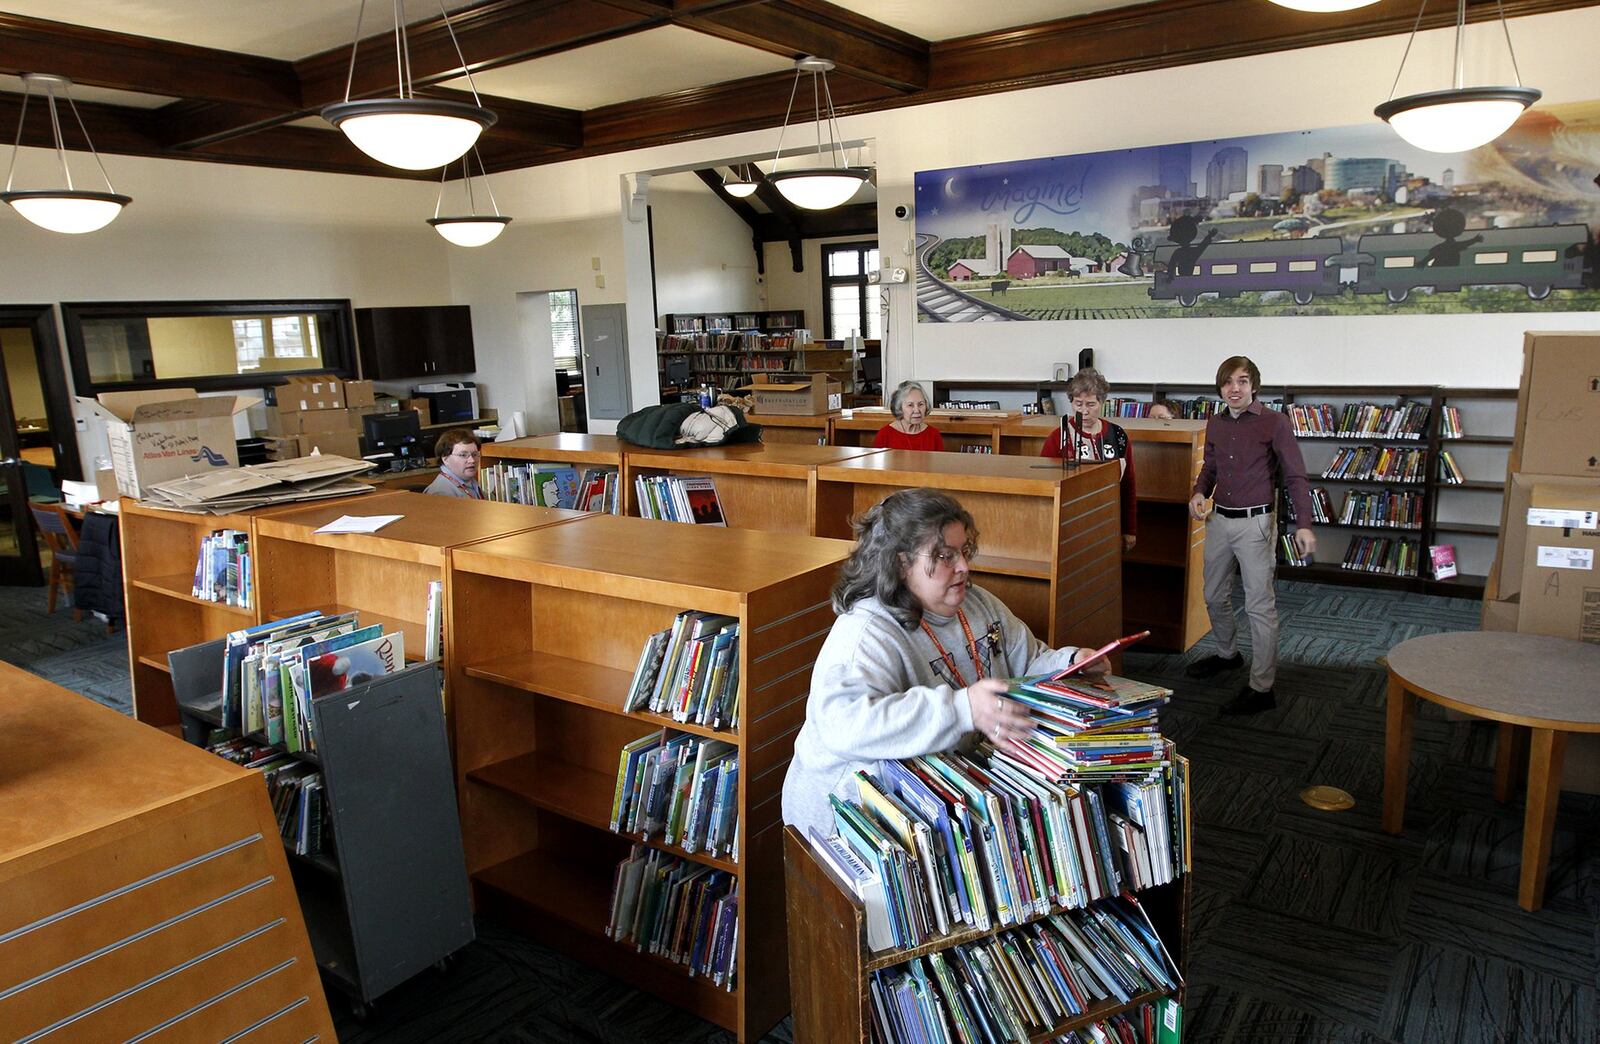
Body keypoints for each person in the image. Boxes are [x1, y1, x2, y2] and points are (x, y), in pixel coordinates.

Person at [781, 488, 1107, 838]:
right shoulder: (864, 633)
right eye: (944, 555)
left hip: (938, 790)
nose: (964, 567)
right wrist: (962, 709)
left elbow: (1028, 661)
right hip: (846, 821)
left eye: (963, 551)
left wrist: (1069, 663)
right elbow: (845, 727)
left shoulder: (978, 604)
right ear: (900, 562)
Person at [1186, 356, 1315, 715]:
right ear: (1220, 388)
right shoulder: (1215, 422)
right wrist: (1199, 492)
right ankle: (1228, 655)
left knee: (1259, 606)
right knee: (1213, 594)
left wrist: (1303, 523)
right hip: (1219, 520)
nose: (1235, 389)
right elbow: (1209, 467)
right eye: (1228, 382)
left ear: (1254, 386)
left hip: (1256, 524)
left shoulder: (1275, 422)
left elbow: (1295, 477)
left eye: (1242, 381)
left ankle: (1262, 686)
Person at [1039, 368, 1137, 551]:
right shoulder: (1058, 437)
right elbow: (1044, 484)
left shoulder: (1118, 435)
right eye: (1078, 404)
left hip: (1109, 520)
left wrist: (1129, 529)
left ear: (1102, 403)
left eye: (1091, 404)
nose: (1084, 411)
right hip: (1071, 524)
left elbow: (1129, 485)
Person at [872, 380, 945, 451]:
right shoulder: (884, 435)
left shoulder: (934, 435)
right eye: (910, 405)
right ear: (899, 407)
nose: (917, 410)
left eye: (921, 404)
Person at [425, 429, 484, 498]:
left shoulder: (469, 481)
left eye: (475, 454)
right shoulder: (440, 493)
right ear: (445, 459)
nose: (472, 460)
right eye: (463, 455)